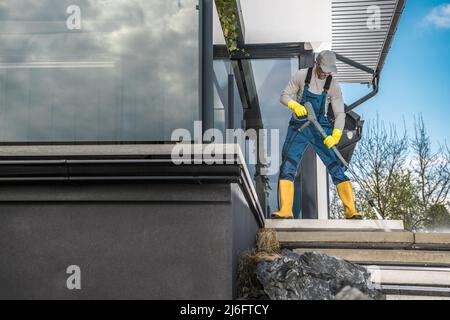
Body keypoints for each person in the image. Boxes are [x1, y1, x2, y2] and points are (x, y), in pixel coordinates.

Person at [272, 50, 362, 220]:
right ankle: (285, 210)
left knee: (336, 166)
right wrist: (294, 105)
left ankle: (351, 210)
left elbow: (340, 113)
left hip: (321, 128)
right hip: (299, 127)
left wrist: (335, 135)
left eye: (329, 71)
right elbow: (283, 96)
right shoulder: (301, 76)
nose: (326, 73)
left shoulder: (333, 86)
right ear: (316, 64)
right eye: (323, 70)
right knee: (288, 165)